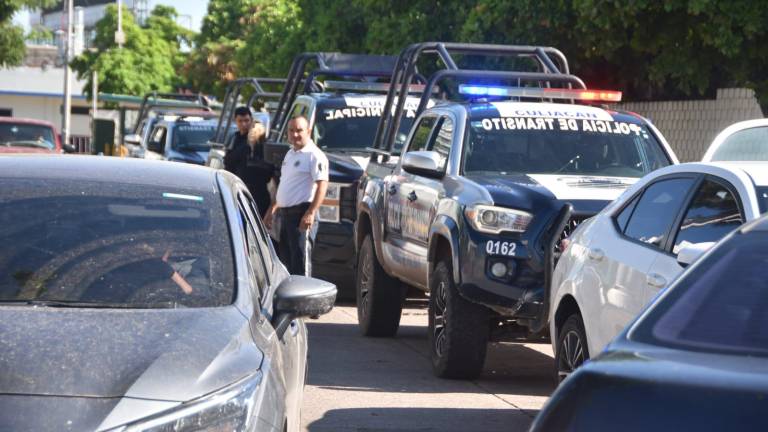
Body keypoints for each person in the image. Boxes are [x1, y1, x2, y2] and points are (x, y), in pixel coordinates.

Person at [264, 116, 328, 276]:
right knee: (286, 265)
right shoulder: (290, 154)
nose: (295, 134)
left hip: (302, 215)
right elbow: (285, 184)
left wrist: (311, 212)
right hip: (285, 216)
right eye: (291, 130)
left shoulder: (314, 155)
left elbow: (322, 185)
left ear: (309, 131)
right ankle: (290, 302)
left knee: (301, 265)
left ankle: (305, 301)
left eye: (299, 130)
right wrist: (272, 209)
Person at [223, 107, 274, 217]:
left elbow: (267, 168)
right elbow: (228, 162)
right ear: (235, 121)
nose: (244, 124)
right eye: (240, 121)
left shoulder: (258, 140)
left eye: (247, 120)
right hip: (237, 188)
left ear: (251, 120)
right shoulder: (234, 138)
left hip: (257, 192)